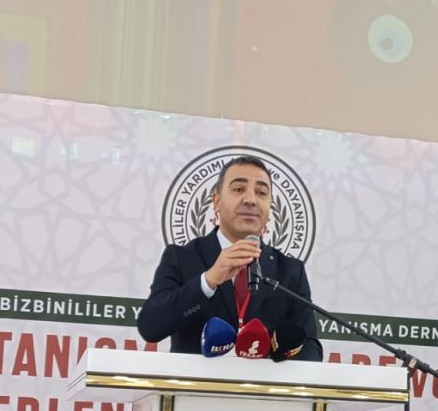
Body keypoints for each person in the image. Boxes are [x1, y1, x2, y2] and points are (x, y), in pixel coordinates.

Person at [136, 155, 321, 361]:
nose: (251, 200)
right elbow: (150, 327)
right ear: (216, 202)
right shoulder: (181, 257)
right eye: (238, 189)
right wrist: (208, 281)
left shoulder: (290, 271)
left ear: (270, 207)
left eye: (261, 193)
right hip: (196, 382)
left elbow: (311, 350)